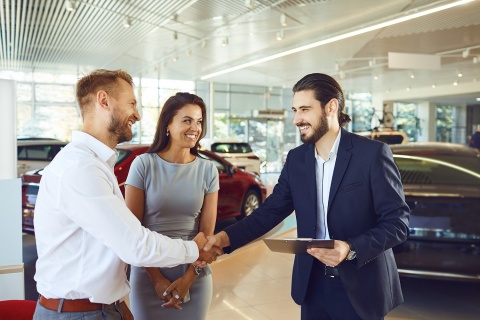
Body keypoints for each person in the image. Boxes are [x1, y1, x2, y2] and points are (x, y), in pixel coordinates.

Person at [205, 73, 410, 320]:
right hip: (312, 286)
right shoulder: (296, 160)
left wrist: (350, 248)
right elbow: (270, 212)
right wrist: (224, 239)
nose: (296, 119)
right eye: (294, 110)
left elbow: (398, 223)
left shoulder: (372, 154)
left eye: (304, 109)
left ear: (331, 107)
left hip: (360, 287)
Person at [33, 69, 216, 320]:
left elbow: (110, 246)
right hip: (79, 313)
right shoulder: (81, 168)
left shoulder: (94, 164)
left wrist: (117, 307)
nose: (137, 114)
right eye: (131, 103)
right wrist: (194, 250)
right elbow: (135, 244)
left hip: (99, 308)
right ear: (104, 101)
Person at [125, 92, 220, 320]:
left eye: (198, 121)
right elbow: (132, 231)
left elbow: (206, 234)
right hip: (148, 276)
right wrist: (157, 279)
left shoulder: (208, 170)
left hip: (194, 276)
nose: (195, 128)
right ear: (168, 123)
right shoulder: (143, 165)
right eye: (187, 120)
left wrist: (188, 279)